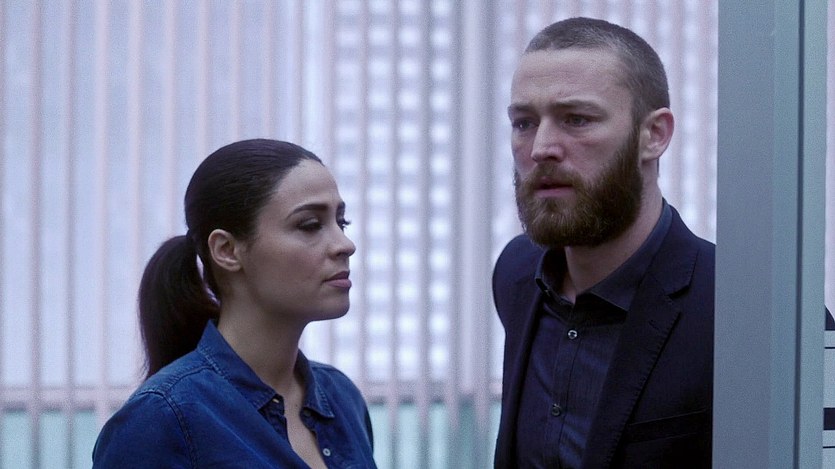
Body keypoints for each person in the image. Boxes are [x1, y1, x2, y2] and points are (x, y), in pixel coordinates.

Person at [493, 18, 714, 468]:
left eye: (576, 119)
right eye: (524, 123)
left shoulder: (749, 309)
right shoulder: (516, 273)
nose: (541, 148)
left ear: (654, 135)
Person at [93, 139, 377, 468]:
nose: (345, 244)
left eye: (341, 223)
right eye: (310, 225)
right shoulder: (160, 419)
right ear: (227, 250)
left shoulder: (342, 398)